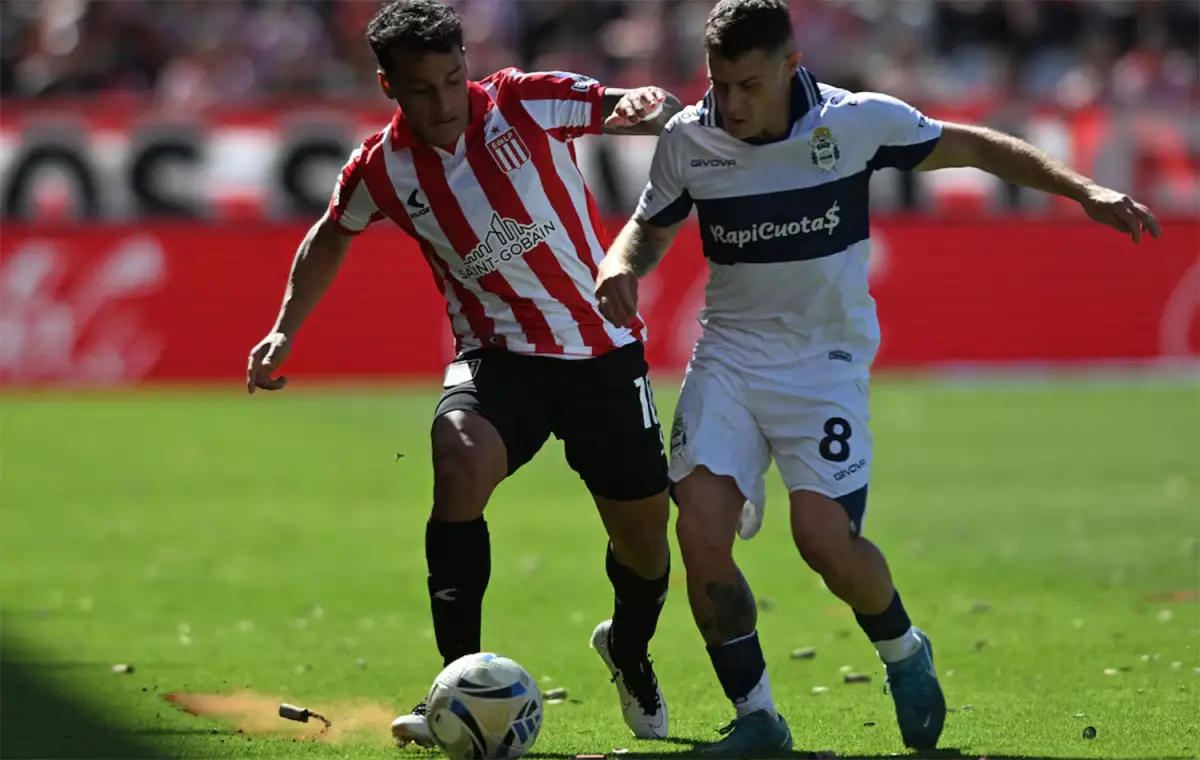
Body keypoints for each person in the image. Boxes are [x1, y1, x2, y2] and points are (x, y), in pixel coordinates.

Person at [594, 0, 1162, 755]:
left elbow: (975, 146)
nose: (730, 104)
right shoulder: (689, 140)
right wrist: (620, 265)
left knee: (823, 539)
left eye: (749, 85)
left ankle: (902, 648)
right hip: (728, 355)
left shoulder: (855, 122)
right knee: (698, 530)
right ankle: (758, 717)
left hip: (823, 365)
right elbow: (649, 225)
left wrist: (1084, 190)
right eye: (719, 84)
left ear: (791, 67)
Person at [245, 0, 685, 746]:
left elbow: (631, 106)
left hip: (602, 353)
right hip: (498, 356)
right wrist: (285, 327)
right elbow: (330, 234)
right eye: (423, 89)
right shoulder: (382, 168)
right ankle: (453, 686)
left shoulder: (522, 100)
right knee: (456, 457)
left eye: (453, 79)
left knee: (645, 541)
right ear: (388, 86)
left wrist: (647, 103)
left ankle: (628, 648)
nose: (445, 100)